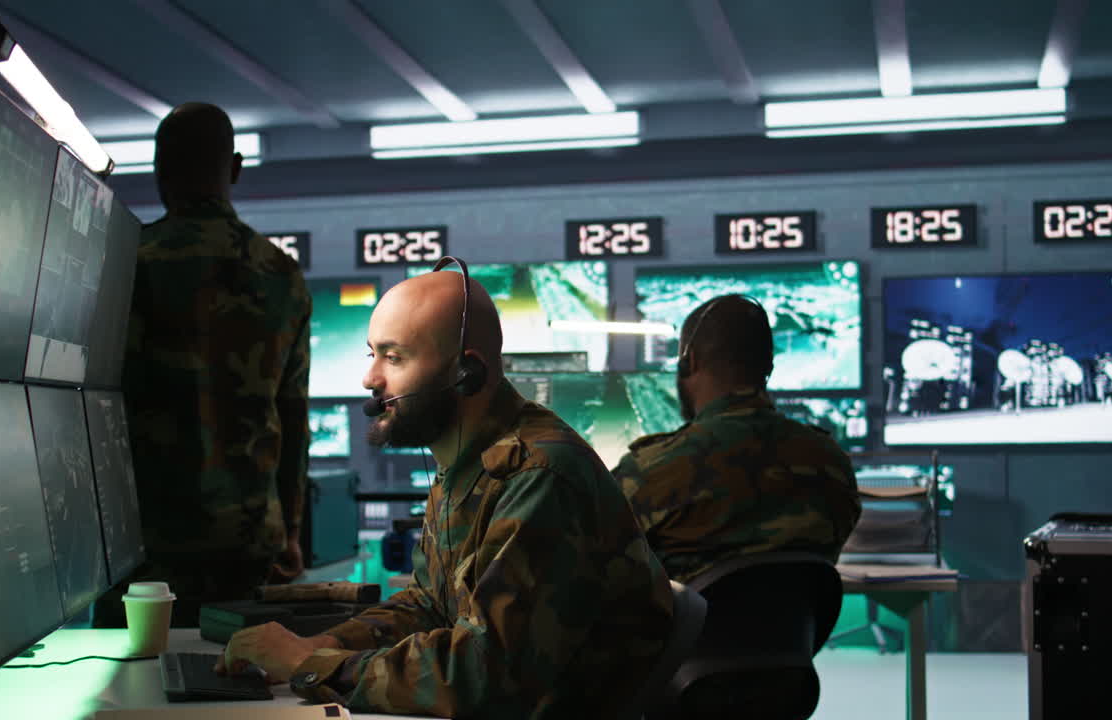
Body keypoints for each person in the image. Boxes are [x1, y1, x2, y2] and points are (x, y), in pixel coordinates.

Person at [217, 261, 673, 718]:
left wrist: (311, 666)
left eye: (393, 358)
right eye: (371, 353)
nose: (370, 379)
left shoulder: (539, 478)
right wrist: (327, 643)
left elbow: (482, 676)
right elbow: (429, 604)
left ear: (465, 374)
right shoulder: (466, 462)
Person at [92, 103, 311, 628]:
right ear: (233, 168)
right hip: (248, 544)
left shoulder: (124, 262)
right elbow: (293, 417)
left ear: (158, 170)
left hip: (142, 548)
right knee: (246, 692)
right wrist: (293, 530)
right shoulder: (280, 274)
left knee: (129, 694)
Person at [613, 294, 860, 585]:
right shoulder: (832, 463)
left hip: (685, 630)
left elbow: (593, 555)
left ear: (688, 363)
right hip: (793, 631)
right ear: (769, 368)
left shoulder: (651, 471)